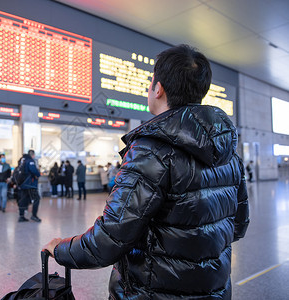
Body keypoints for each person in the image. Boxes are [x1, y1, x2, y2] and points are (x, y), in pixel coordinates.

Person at [43, 45, 250, 299]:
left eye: (151, 81)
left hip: (152, 291)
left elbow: (110, 238)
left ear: (158, 88)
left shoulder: (151, 150)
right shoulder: (228, 151)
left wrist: (61, 249)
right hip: (215, 290)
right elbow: (238, 226)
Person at [18, 150, 41, 222]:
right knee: (36, 199)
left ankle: (21, 216)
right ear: (33, 155)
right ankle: (34, 215)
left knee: (24, 199)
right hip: (30, 184)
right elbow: (34, 170)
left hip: (23, 184)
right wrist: (38, 174)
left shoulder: (22, 160)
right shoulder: (30, 161)